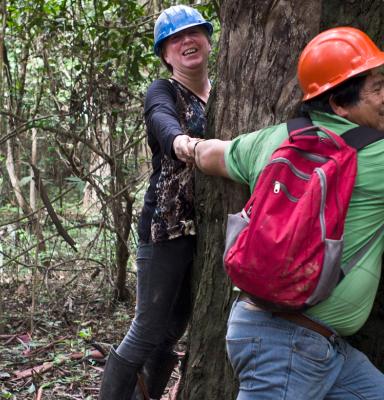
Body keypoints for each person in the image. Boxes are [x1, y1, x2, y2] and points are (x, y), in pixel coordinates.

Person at [189, 27, 384, 399]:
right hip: (285, 345)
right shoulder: (376, 157)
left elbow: (212, 155)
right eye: (376, 88)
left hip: (314, 347)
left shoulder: (276, 139)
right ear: (340, 104)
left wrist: (185, 144)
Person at [98, 5, 212, 400]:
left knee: (172, 330)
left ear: (208, 39)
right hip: (167, 226)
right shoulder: (163, 90)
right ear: (165, 54)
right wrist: (181, 142)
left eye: (194, 32)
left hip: (208, 230)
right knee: (147, 329)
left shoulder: (226, 92)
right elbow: (161, 119)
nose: (186, 42)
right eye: (175, 39)